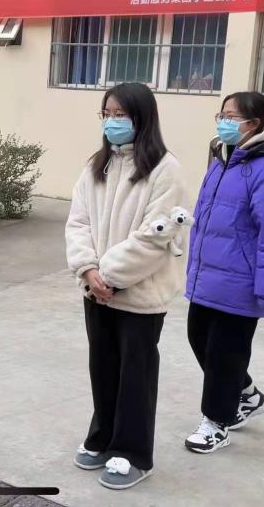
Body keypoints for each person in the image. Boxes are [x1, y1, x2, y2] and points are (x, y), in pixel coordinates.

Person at [65, 82, 190, 490]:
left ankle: (133, 453)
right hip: (96, 291)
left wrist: (110, 277)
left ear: (142, 118)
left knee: (135, 376)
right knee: (102, 370)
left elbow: (156, 237)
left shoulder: (165, 170)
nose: (112, 122)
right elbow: (78, 222)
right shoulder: (95, 166)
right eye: (107, 114)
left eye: (121, 114)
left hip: (139, 295)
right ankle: (102, 438)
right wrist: (88, 270)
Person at [183, 92, 264, 454]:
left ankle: (217, 422)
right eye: (221, 115)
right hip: (209, 276)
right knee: (199, 339)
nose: (224, 122)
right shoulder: (222, 159)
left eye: (231, 117)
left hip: (242, 283)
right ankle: (247, 394)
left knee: (223, 354)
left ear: (254, 123)